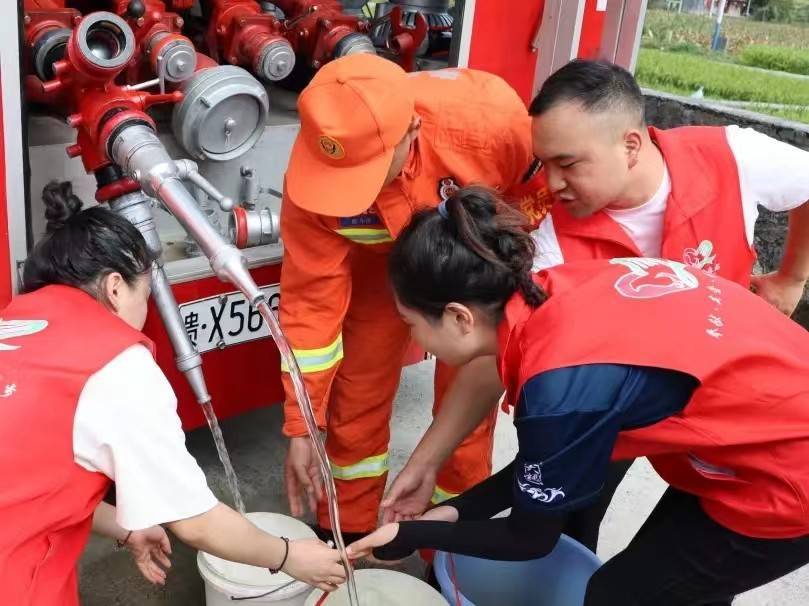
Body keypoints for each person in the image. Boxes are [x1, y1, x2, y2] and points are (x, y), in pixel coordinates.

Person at [382, 58, 809, 551]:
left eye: (568, 163)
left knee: (688, 567)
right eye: (543, 164)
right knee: (569, 515)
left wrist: (791, 277)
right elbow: (494, 348)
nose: (551, 184)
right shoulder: (549, 246)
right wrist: (428, 460)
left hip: (748, 417)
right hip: (629, 403)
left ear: (630, 145)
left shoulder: (731, 157)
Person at [348, 187, 809, 606]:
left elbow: (530, 539)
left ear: (458, 317)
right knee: (679, 584)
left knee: (617, 594)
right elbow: (554, 464)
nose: (418, 343)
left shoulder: (559, 387)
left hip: (788, 477)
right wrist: (456, 511)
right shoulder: (563, 288)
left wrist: (412, 533)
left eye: (412, 325)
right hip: (757, 435)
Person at [0, 182, 346, 606]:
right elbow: (196, 522)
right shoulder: (113, 363)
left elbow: (24, 482)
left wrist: (125, 527)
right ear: (114, 288)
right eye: (144, 296)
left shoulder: (13, 324)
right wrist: (290, 556)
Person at [279, 53, 550, 541]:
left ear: (412, 133)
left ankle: (449, 541)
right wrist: (302, 424)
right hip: (378, 269)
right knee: (357, 390)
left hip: (472, 263)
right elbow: (310, 313)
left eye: (366, 173)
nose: (350, 193)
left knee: (467, 392)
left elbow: (535, 212)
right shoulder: (316, 171)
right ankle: (354, 537)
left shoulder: (492, 122)